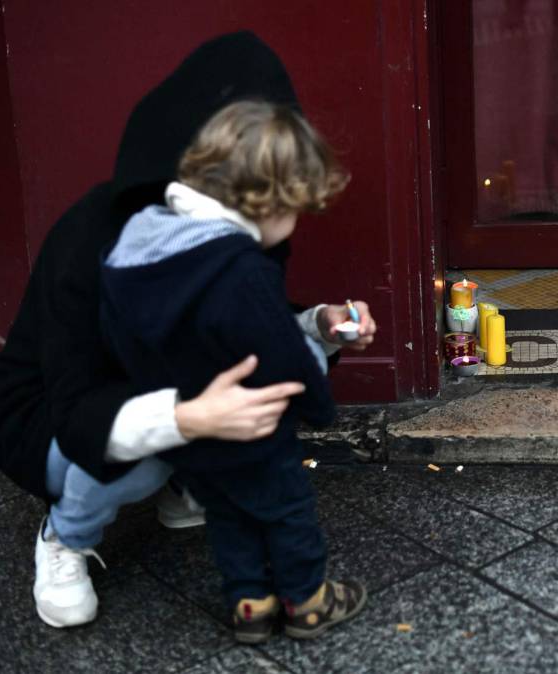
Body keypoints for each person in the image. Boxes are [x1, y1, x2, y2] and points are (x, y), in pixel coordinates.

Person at [0, 32, 376, 630]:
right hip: (53, 418)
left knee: (234, 431)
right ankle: (65, 531)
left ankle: (187, 478)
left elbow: (246, 324)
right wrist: (191, 421)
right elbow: (78, 403)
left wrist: (320, 325)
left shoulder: (230, 218)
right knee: (160, 456)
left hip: (163, 383)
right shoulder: (97, 234)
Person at [100, 100, 366, 643]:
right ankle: (307, 600)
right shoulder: (240, 269)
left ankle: (250, 604)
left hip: (188, 426)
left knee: (226, 515)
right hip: (253, 424)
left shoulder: (143, 240)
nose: (293, 227)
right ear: (270, 200)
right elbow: (282, 352)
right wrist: (320, 406)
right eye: (295, 211)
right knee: (287, 511)